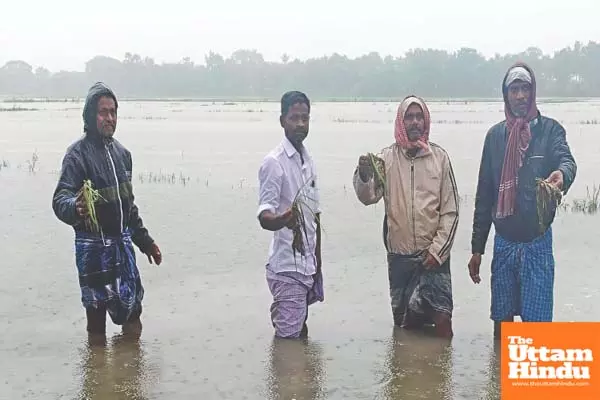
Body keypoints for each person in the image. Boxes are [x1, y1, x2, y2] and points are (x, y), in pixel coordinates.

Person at [468, 62, 577, 339]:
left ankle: (530, 381)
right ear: (506, 95)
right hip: (504, 244)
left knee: (537, 331)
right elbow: (484, 196)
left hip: (537, 244)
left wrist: (561, 175)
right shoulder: (495, 137)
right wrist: (477, 249)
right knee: (502, 326)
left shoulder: (550, 131)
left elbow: (566, 160)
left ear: (533, 92)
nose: (519, 96)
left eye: (524, 89)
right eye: (513, 89)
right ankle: (499, 381)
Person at [52, 82, 163, 337]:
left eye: (113, 112)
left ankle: (130, 371)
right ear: (90, 115)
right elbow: (60, 199)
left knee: (133, 311)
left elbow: (129, 208)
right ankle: (98, 372)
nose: (109, 118)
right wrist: (74, 207)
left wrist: (146, 242)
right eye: (103, 112)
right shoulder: (76, 155)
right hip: (92, 248)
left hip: (121, 245)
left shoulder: (123, 154)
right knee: (96, 318)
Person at [353, 95, 459, 338]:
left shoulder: (439, 158)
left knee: (442, 321)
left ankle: (441, 373)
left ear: (426, 121)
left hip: (433, 257)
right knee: (406, 329)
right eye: (409, 117)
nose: (414, 122)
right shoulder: (386, 158)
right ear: (401, 122)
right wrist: (364, 174)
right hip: (400, 258)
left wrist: (438, 251)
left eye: (418, 116)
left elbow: (451, 210)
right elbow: (368, 197)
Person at [257, 90, 324, 339]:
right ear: (282, 120)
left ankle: (294, 378)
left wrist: (318, 265)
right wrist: (284, 218)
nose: (300, 124)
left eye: (305, 118)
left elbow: (315, 218)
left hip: (307, 267)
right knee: (288, 342)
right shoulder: (274, 163)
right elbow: (264, 216)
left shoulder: (308, 161)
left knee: (299, 333)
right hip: (286, 267)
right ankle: (284, 378)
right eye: (294, 118)